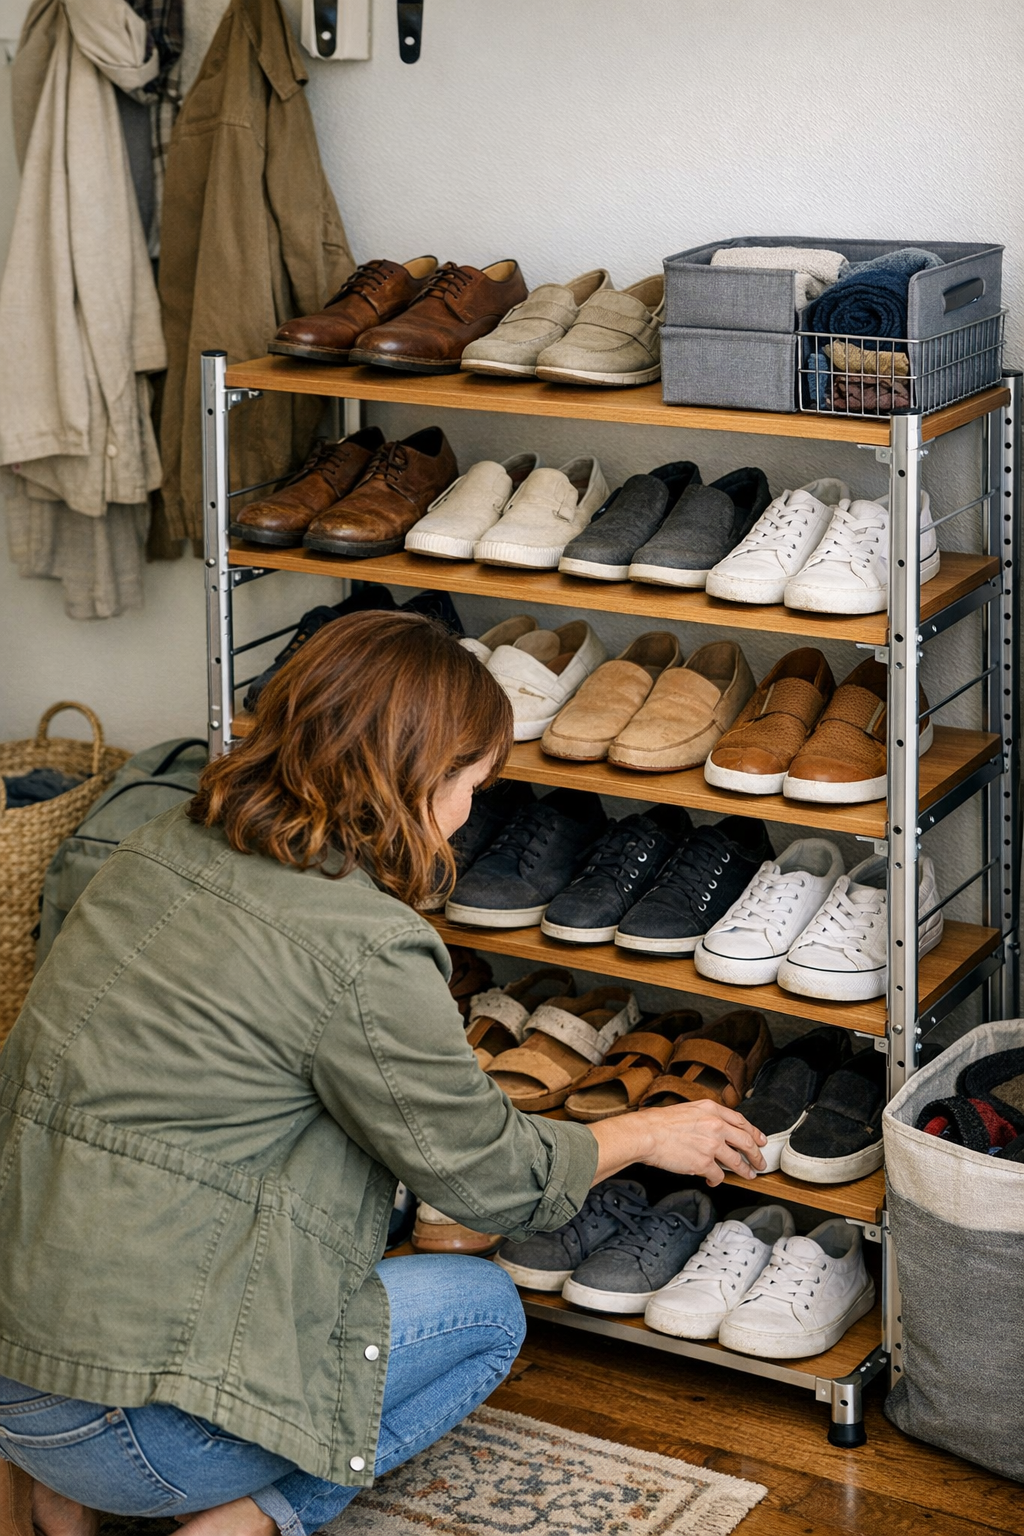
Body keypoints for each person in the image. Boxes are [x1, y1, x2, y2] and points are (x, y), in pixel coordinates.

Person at [0, 611, 765, 1536]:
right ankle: (239, 1522)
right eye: (472, 784)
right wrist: (646, 1130)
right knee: (484, 1312)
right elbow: (490, 1182)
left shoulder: (153, 846)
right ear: (416, 777)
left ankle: (57, 1506)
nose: (471, 813)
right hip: (140, 1438)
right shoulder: (365, 945)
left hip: (13, 1370)